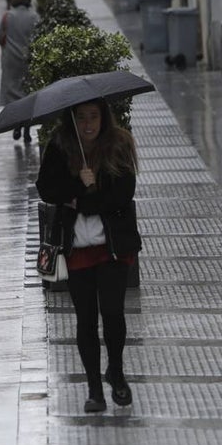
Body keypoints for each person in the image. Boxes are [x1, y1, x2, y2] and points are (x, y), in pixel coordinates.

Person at [36, 99, 142, 413]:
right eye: (81, 118)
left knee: (112, 313)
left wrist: (82, 200)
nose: (88, 124)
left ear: (103, 118)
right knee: (85, 320)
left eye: (94, 117)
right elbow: (46, 189)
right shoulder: (59, 146)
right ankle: (94, 388)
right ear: (73, 121)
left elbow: (123, 193)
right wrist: (77, 185)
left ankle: (117, 373)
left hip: (112, 247)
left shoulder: (119, 144)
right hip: (76, 248)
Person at [0, 0, 39, 142]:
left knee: (13, 93)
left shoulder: (7, 16)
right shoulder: (34, 16)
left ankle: (16, 126)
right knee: (28, 93)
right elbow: (39, 37)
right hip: (29, 60)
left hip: (11, 62)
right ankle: (27, 129)